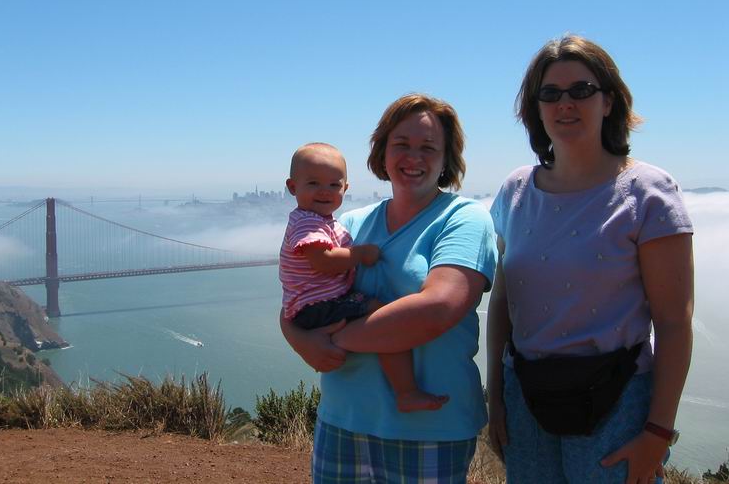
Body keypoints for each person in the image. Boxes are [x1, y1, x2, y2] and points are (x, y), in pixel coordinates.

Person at [486, 35, 694, 484]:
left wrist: (658, 432)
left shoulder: (648, 192)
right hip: (526, 399)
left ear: (608, 101)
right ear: (536, 108)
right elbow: (502, 299)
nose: (565, 103)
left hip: (617, 403)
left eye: (581, 90)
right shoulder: (516, 190)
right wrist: (496, 398)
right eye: (550, 93)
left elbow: (674, 322)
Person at [281, 94, 498, 483]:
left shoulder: (465, 219)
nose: (413, 157)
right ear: (383, 152)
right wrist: (298, 338)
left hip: (430, 431)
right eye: (401, 144)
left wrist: (332, 339)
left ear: (447, 158)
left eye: (428, 147)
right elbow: (300, 293)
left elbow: (437, 310)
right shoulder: (348, 224)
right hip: (342, 420)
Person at [280, 142, 447, 412]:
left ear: (345, 188)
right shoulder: (308, 222)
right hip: (318, 306)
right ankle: (406, 391)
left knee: (380, 318)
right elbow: (323, 261)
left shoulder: (322, 220)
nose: (324, 191)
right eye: (313, 183)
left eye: (334, 185)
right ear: (292, 187)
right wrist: (360, 254)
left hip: (311, 306)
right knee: (385, 319)